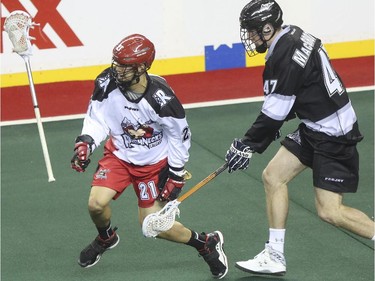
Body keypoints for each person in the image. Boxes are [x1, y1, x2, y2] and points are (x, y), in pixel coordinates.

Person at [224, 0, 375, 276]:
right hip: (316, 125)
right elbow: (304, 86)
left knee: (330, 212)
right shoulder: (293, 34)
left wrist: (246, 145)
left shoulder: (284, 54)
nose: (250, 36)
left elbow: (273, 113)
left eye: (254, 30)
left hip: (334, 134)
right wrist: (280, 121)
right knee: (273, 176)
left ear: (269, 28)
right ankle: (275, 255)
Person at [71, 34, 228, 279]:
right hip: (119, 156)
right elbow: (97, 117)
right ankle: (106, 238)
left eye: (125, 66)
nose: (118, 70)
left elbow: (180, 137)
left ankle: (206, 243)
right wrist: (87, 141)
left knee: (153, 227)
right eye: (117, 63)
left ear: (143, 67)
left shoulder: (162, 99)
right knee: (96, 204)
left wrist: (176, 173)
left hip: (153, 166)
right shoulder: (106, 82)